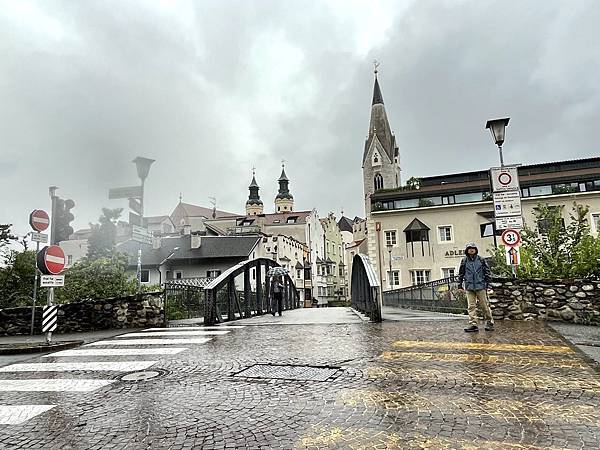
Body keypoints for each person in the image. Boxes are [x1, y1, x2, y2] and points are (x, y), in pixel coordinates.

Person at [458, 242, 494, 332]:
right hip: (469, 287)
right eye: (469, 248)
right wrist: (460, 285)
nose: (471, 249)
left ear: (476, 249)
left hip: (480, 286)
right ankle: (473, 324)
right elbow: (461, 274)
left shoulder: (481, 260)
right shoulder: (464, 261)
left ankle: (489, 322)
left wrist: (489, 285)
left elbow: (487, 273)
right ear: (467, 250)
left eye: (473, 248)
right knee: (471, 306)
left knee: (484, 305)